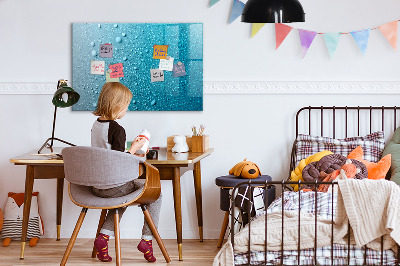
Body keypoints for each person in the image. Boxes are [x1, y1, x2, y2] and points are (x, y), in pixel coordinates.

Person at [91, 82, 161, 263]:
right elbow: (119, 161)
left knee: (121, 197)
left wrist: (131, 150)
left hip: (97, 186)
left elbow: (108, 154)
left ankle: (103, 238)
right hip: (114, 186)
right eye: (126, 106)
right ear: (117, 105)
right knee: (156, 194)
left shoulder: (96, 125)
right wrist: (136, 148)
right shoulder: (117, 129)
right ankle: (147, 240)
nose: (126, 110)